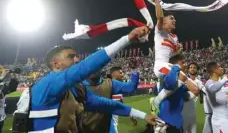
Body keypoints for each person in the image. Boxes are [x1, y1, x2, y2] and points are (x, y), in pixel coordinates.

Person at [29, 27, 159, 132]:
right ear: (56, 63)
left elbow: (108, 105)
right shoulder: (47, 84)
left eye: (77, 57)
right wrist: (127, 39)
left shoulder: (76, 90)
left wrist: (144, 115)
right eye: (71, 57)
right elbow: (84, 67)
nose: (77, 59)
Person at [143, 0, 190, 111]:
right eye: (171, 18)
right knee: (182, 78)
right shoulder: (160, 31)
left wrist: (178, 51)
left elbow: (173, 56)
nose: (174, 20)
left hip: (168, 64)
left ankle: (162, 102)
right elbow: (159, 16)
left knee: (184, 81)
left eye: (174, 19)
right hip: (159, 66)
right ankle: (156, 101)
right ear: (164, 22)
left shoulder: (174, 37)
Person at [157, 54, 200, 133]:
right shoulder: (165, 77)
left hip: (177, 122)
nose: (185, 65)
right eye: (183, 63)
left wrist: (183, 96)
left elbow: (196, 90)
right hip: (165, 123)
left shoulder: (181, 83)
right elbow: (170, 84)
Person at [205, 62, 228, 133]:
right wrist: (226, 78)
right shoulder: (209, 83)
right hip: (221, 121)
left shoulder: (218, 82)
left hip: (224, 119)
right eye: (219, 67)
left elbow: (222, 90)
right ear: (214, 70)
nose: (222, 68)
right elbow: (213, 89)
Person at [108, 65, 140, 133]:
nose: (122, 74)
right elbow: (131, 87)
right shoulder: (115, 83)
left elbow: (120, 104)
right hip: (110, 116)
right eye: (120, 73)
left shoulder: (108, 83)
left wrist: (130, 115)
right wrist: (134, 69)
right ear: (113, 74)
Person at [182, 62, 203, 133]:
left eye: (194, 67)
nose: (192, 69)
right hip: (182, 111)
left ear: (197, 70)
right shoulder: (184, 80)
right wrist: (197, 92)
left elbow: (202, 95)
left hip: (193, 112)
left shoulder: (199, 82)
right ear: (188, 69)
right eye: (191, 67)